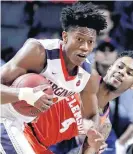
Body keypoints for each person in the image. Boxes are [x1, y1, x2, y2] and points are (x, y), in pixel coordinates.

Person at [0, 2, 107, 154]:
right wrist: (24, 94)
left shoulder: (88, 77)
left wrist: (91, 131)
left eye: (90, 42)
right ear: (65, 36)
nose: (85, 47)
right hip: (3, 117)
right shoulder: (38, 52)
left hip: (21, 124)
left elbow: (91, 115)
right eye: (79, 39)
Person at [47, 50, 133, 154]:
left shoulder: (104, 127)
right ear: (110, 67)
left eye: (129, 73)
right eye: (120, 67)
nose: (121, 72)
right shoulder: (83, 76)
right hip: (27, 132)